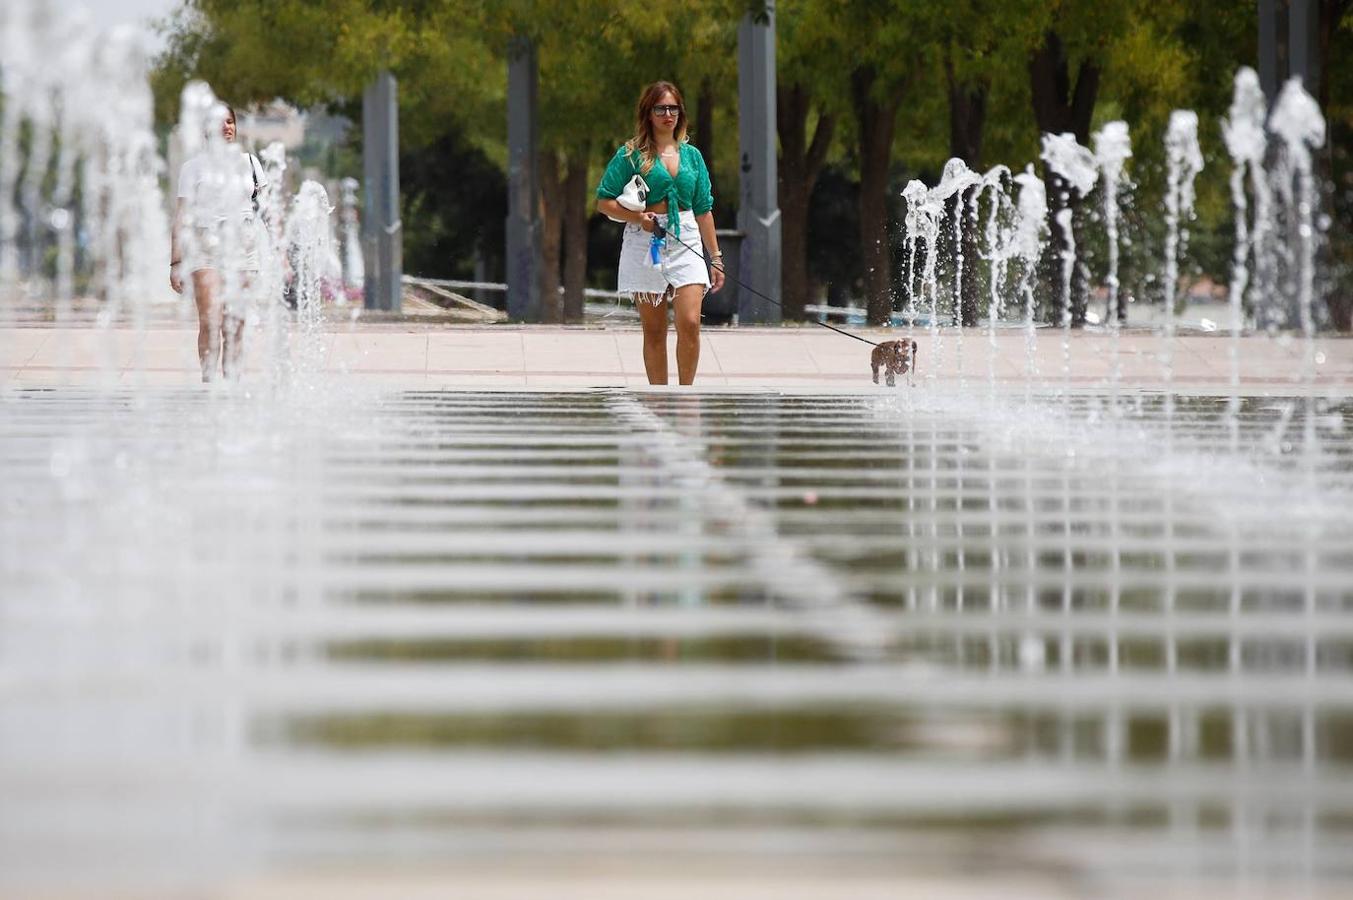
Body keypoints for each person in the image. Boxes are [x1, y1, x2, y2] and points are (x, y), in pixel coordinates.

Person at [596, 82, 725, 386]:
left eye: (673, 108)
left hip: (686, 238)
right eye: (661, 108)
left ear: (681, 112)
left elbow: (704, 209)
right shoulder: (631, 154)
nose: (668, 114)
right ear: (648, 113)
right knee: (654, 331)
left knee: (690, 323)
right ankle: (659, 397)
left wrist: (716, 257)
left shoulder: (692, 156)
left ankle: (686, 394)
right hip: (645, 242)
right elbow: (604, 201)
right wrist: (637, 218)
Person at [169, 104, 266, 382]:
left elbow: (269, 211)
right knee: (211, 321)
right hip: (205, 250)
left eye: (230, 121)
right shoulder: (192, 169)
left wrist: (281, 254)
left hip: (244, 250)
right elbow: (181, 217)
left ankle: (233, 384)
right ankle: (209, 383)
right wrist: (176, 262)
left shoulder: (251, 163)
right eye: (219, 122)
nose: (226, 127)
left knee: (235, 324)